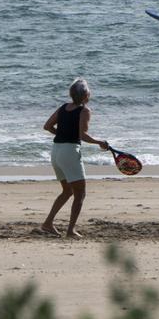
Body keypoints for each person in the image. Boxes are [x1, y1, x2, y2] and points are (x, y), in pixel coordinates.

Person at [41, 78, 108, 239]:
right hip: (69, 152)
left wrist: (63, 134)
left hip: (56, 152)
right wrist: (100, 142)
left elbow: (47, 126)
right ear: (86, 95)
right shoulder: (84, 111)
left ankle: (48, 223)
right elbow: (82, 135)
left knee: (67, 191)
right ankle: (70, 230)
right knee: (80, 193)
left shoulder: (64, 107)